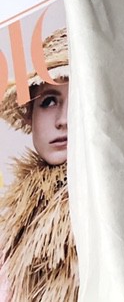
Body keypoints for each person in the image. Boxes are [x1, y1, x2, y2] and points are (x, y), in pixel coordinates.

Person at [0, 29, 77, 302]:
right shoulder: (15, 214)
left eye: (79, 98)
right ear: (30, 114)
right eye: (49, 101)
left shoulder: (112, 194)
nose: (63, 119)